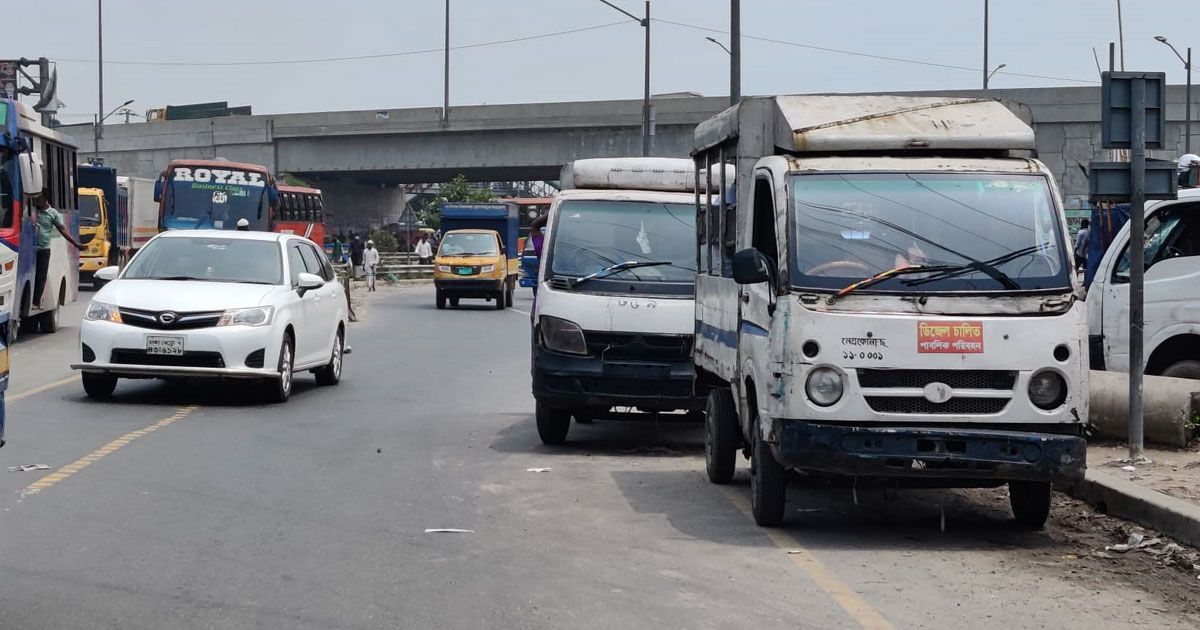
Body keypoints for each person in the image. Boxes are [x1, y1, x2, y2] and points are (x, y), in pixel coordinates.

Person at [33, 195, 83, 307]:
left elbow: (63, 230)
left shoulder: (53, 213)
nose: (37, 202)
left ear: (45, 200)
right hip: (31, 249)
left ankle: (36, 301)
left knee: (41, 276)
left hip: (44, 249)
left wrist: (75, 243)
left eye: (39, 199)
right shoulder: (33, 211)